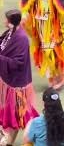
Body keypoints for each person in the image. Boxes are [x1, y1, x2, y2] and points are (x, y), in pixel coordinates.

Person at [0, 9, 39, 145]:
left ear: (12, 22)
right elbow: (2, 44)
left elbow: (19, 62)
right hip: (9, 82)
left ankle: (32, 136)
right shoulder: (10, 32)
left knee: (23, 115)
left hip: (18, 85)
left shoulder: (21, 38)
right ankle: (9, 141)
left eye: (7, 20)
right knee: (14, 114)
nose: (5, 21)